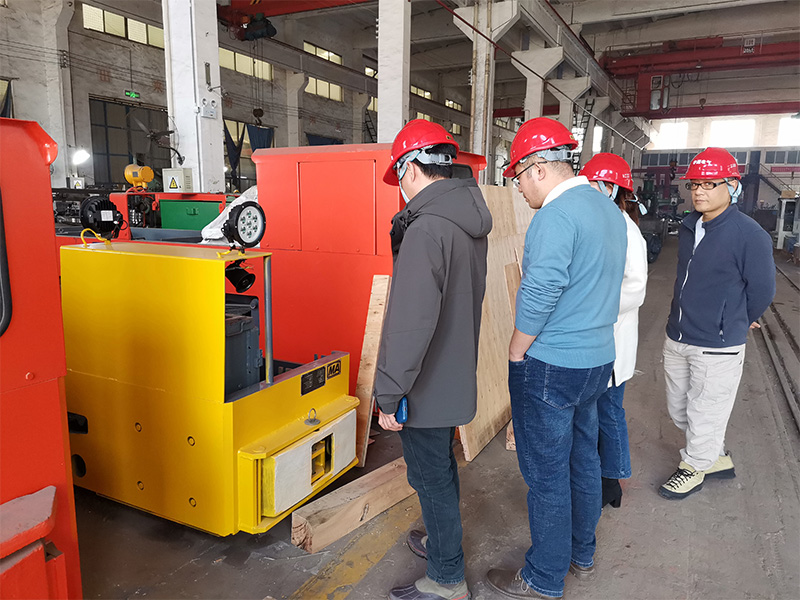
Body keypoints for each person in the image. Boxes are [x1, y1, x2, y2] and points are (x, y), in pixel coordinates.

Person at [486, 118, 626, 600]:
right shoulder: (607, 210)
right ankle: (580, 552)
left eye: (519, 177)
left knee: (546, 476)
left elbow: (542, 287)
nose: (520, 188)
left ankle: (544, 577)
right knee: (583, 458)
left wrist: (516, 347)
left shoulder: (555, 216)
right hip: (597, 360)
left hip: (552, 364)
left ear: (538, 167)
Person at [373, 119, 492, 600]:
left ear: (410, 169)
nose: (399, 187)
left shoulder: (426, 231)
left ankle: (446, 577)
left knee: (430, 478)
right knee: (440, 468)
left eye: (399, 175)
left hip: (423, 382)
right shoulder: (467, 218)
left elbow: (409, 324)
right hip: (451, 371)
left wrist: (389, 392)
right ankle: (441, 543)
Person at [660, 147, 775, 500]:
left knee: (704, 410)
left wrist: (739, 317)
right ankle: (715, 456)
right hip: (678, 335)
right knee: (680, 409)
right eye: (694, 184)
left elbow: (763, 290)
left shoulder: (748, 234)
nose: (699, 191)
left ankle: (694, 466)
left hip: (717, 345)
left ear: (732, 186)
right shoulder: (689, 225)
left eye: (709, 184)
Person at [579, 153, 649, 509]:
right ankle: (603, 475)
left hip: (612, 339)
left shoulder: (626, 229)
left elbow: (635, 288)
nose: (589, 191)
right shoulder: (598, 224)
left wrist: (591, 308)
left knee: (608, 413)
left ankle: (612, 480)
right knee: (596, 413)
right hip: (594, 340)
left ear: (612, 190)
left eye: (596, 185)